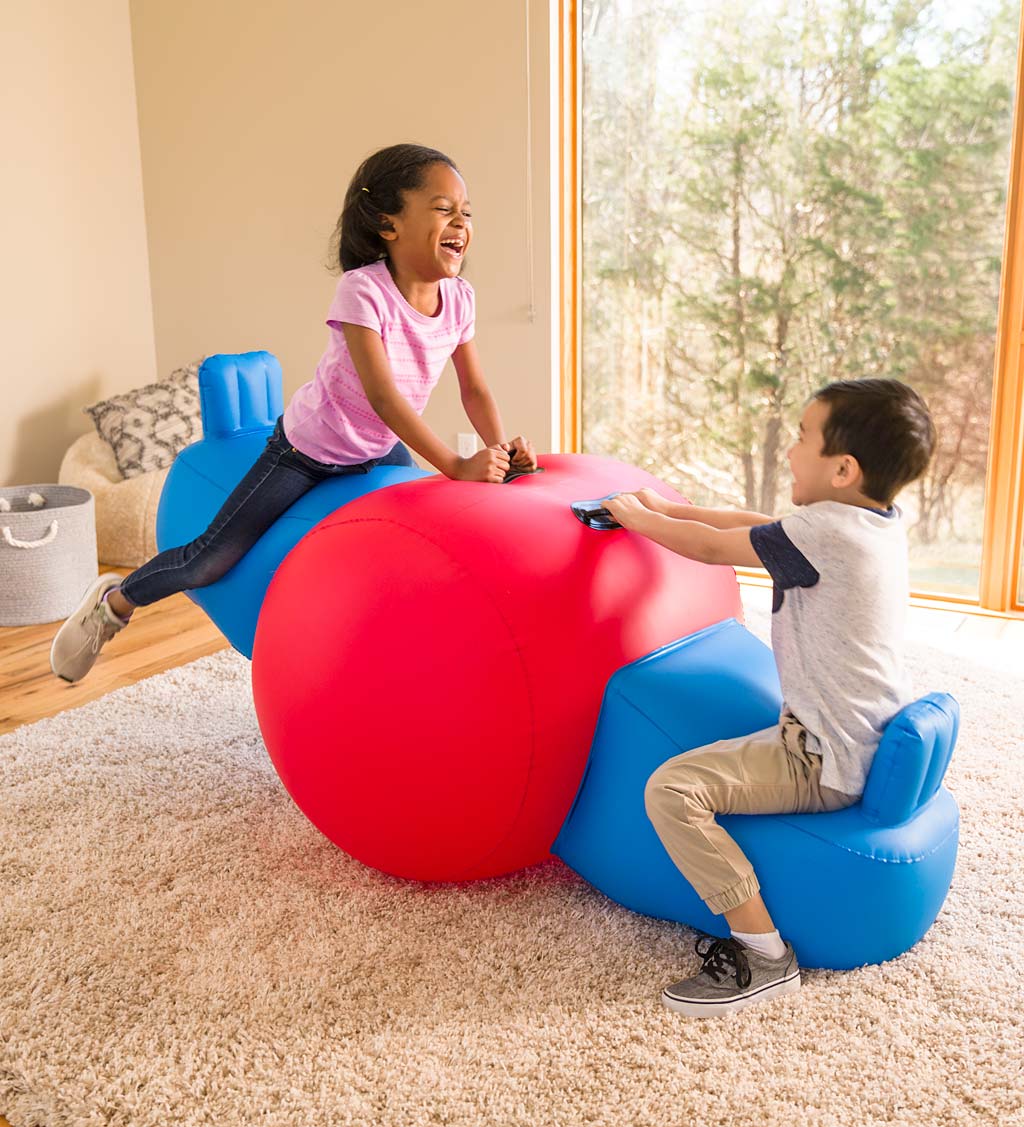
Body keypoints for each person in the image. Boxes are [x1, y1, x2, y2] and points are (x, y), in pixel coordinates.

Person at [51, 143, 536, 683]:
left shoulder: (460, 298)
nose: (460, 224)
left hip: (378, 451)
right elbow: (383, 397)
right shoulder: (363, 292)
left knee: (409, 547)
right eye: (444, 208)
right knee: (209, 559)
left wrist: (500, 448)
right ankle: (113, 603)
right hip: (310, 450)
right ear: (388, 224)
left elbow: (474, 387)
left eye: (466, 213)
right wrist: (454, 463)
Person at [603, 378, 936, 1017]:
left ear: (843, 468)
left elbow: (710, 549)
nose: (790, 450)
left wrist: (637, 521)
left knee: (671, 791)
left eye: (803, 438)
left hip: (822, 758)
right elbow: (752, 525)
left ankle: (763, 957)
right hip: (853, 734)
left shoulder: (827, 534)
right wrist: (664, 507)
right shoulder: (870, 522)